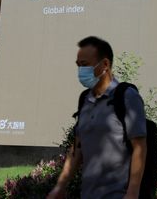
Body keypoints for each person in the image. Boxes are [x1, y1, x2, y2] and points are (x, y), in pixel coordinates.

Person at [48, 36, 147, 199]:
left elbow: (140, 147)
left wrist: (132, 193)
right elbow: (77, 148)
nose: (81, 71)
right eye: (78, 65)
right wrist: (60, 186)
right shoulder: (85, 100)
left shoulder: (127, 96)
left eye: (85, 65)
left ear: (105, 65)